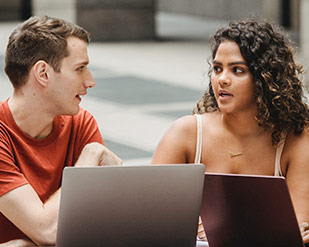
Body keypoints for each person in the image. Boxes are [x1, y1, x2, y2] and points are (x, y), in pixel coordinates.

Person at [151, 18, 309, 243]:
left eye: (237, 70)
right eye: (217, 69)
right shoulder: (186, 133)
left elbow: (296, 232)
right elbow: (149, 214)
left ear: (265, 77)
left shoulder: (296, 138)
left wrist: (221, 227)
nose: (222, 79)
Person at [0, 15, 122, 246]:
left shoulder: (81, 124)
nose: (90, 81)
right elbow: (48, 232)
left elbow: (97, 226)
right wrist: (88, 159)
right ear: (43, 73)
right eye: (80, 69)